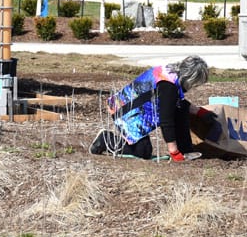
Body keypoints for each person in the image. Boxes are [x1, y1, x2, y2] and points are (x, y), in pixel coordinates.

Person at [89, 55, 217, 161]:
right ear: (190, 78)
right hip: (125, 111)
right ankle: (105, 140)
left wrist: (200, 112)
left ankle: (186, 149)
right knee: (143, 151)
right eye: (195, 84)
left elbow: (176, 102)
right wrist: (173, 151)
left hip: (134, 107)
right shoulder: (168, 86)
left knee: (180, 110)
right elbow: (166, 120)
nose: (193, 87)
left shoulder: (171, 73)